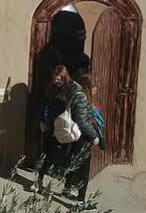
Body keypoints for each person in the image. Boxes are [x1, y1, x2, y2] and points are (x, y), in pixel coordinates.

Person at [29, 65, 100, 202]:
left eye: (59, 78)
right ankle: (40, 181)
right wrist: (45, 123)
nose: (57, 81)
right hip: (57, 129)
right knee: (49, 155)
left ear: (65, 76)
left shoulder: (68, 89)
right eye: (55, 78)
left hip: (63, 129)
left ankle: (66, 187)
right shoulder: (60, 90)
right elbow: (53, 108)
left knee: (64, 158)